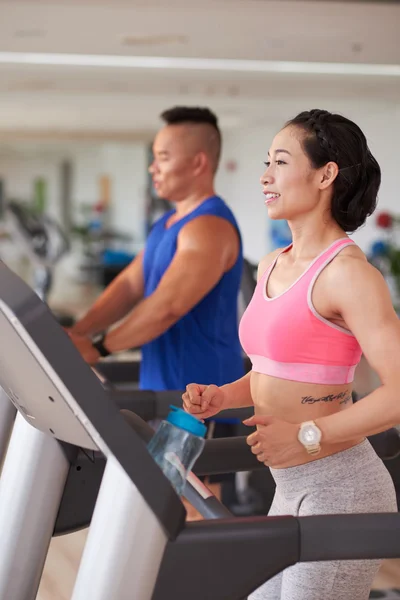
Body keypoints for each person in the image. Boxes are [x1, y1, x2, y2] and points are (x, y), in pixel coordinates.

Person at [183, 108, 399, 599]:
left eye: (280, 162)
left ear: (326, 174)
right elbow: (275, 370)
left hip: (343, 492)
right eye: (266, 162)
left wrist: (305, 435)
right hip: (290, 488)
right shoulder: (272, 265)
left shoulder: (348, 273)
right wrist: (223, 396)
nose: (265, 176)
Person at [68, 105, 244, 392]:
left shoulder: (209, 227)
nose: (153, 167)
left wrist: (99, 347)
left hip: (204, 400)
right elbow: (128, 285)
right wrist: (79, 333)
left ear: (198, 163)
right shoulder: (166, 224)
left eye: (163, 157)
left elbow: (167, 307)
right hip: (163, 392)